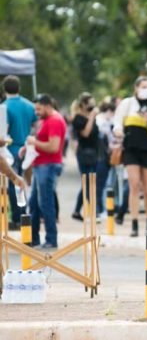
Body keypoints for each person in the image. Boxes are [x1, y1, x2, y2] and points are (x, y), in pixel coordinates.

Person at [113, 76, 147, 237]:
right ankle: (134, 224)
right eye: (143, 86)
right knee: (134, 185)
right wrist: (118, 132)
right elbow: (117, 124)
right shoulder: (127, 104)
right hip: (131, 149)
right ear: (136, 88)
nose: (146, 89)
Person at [23, 94, 67, 249]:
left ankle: (51, 239)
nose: (36, 112)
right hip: (40, 165)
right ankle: (33, 238)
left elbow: (53, 147)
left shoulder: (55, 120)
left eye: (39, 108)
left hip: (48, 166)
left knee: (45, 203)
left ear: (48, 106)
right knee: (34, 203)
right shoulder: (45, 120)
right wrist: (28, 147)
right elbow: (41, 141)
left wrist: (34, 142)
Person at [2, 75, 37, 230]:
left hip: (11, 149)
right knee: (26, 182)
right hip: (28, 149)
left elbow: (4, 131)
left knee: (13, 183)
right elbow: (36, 127)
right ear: (19, 87)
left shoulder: (4, 108)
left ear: (4, 89)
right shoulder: (30, 106)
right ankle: (25, 213)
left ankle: (17, 217)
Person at [71, 92, 102, 221]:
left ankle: (77, 210)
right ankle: (94, 212)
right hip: (84, 153)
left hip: (94, 153)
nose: (92, 106)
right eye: (89, 104)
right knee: (88, 182)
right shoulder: (78, 118)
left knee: (90, 182)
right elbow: (86, 133)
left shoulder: (91, 117)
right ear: (83, 105)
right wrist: (92, 117)